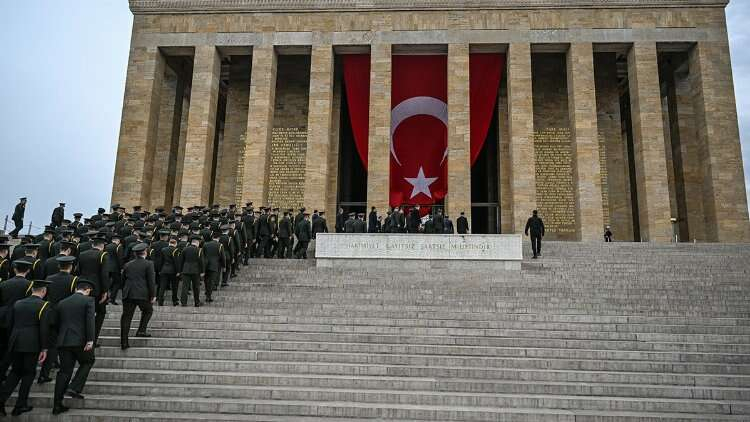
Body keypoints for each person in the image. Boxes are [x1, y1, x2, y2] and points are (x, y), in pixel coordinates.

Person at [0, 279, 52, 417]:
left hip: (15, 341)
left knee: (15, 373)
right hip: (31, 344)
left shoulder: (18, 303)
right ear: (43, 291)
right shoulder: (44, 305)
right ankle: (20, 405)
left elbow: (11, 323)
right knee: (28, 374)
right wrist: (45, 349)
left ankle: (1, 402)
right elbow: (44, 329)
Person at [51, 279, 96, 415]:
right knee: (88, 361)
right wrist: (90, 339)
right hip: (80, 341)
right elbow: (90, 321)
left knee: (64, 372)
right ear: (87, 290)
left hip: (64, 341)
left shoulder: (62, 302)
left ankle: (57, 405)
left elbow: (56, 323)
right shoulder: (88, 301)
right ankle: (74, 387)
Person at [38, 255, 78, 384]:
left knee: (50, 342)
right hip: (64, 315)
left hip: (49, 313)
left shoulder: (49, 278)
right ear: (71, 266)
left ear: (58, 266)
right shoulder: (74, 280)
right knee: (55, 346)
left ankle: (48, 367)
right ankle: (45, 372)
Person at [120, 243, 156, 350]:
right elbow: (151, 281)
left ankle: (124, 342)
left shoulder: (127, 264)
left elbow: (123, 280)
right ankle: (141, 330)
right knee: (148, 310)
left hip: (128, 293)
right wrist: (153, 295)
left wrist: (125, 290)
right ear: (145, 252)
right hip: (142, 294)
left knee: (126, 317)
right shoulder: (149, 264)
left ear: (135, 254)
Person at [77, 235, 110, 344]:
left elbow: (79, 271)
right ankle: (93, 339)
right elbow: (104, 275)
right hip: (96, 289)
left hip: (81, 286)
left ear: (92, 245)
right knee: (100, 313)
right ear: (103, 246)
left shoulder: (82, 254)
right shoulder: (103, 255)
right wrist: (105, 291)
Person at [178, 236, 204, 307]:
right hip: (196, 271)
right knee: (196, 287)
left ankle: (183, 302)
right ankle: (197, 302)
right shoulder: (199, 250)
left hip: (186, 270)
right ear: (197, 242)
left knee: (185, 287)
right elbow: (201, 261)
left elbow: (181, 261)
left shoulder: (185, 249)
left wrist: (180, 271)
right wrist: (202, 271)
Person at [202, 232, 224, 302]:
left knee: (206, 280)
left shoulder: (205, 244)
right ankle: (208, 296)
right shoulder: (220, 245)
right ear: (218, 238)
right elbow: (222, 257)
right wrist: (224, 265)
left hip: (206, 265)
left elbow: (203, 255)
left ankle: (207, 291)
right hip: (214, 265)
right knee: (212, 281)